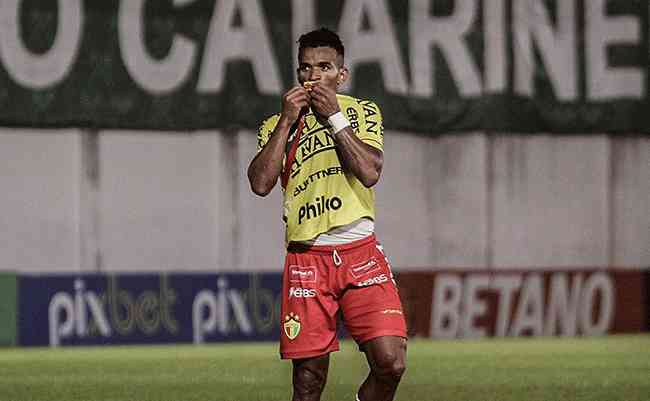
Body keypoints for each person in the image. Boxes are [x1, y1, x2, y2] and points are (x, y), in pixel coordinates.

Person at [248, 27, 407, 401]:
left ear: (341, 74)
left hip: (360, 252)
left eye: (324, 67)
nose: (313, 76)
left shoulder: (361, 111)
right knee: (308, 382)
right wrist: (287, 122)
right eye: (305, 68)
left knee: (391, 362)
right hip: (308, 258)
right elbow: (260, 183)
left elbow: (369, 171)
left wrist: (335, 117)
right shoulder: (276, 126)